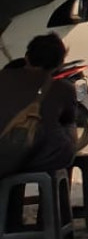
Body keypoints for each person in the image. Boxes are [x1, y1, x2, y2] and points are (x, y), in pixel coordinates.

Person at [0, 34, 79, 176]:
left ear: (27, 56)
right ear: (60, 63)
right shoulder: (64, 88)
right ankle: (58, 195)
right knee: (69, 127)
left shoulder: (3, 77)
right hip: (42, 158)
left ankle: (13, 197)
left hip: (4, 155)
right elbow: (69, 119)